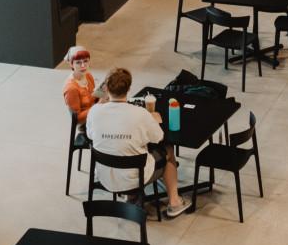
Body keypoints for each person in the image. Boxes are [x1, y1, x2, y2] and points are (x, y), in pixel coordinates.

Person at [85, 68, 192, 217]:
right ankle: (174, 201)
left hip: (105, 175)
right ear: (129, 89)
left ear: (106, 88)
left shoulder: (94, 111)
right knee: (168, 149)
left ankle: (131, 196)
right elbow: (158, 137)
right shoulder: (140, 114)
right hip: (135, 177)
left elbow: (90, 134)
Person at [61, 45, 97, 129]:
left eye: (86, 61)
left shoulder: (88, 75)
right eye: (78, 62)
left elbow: (94, 97)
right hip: (85, 124)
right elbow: (77, 120)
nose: (83, 65)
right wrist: (98, 106)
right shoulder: (71, 88)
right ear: (71, 64)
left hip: (95, 113)